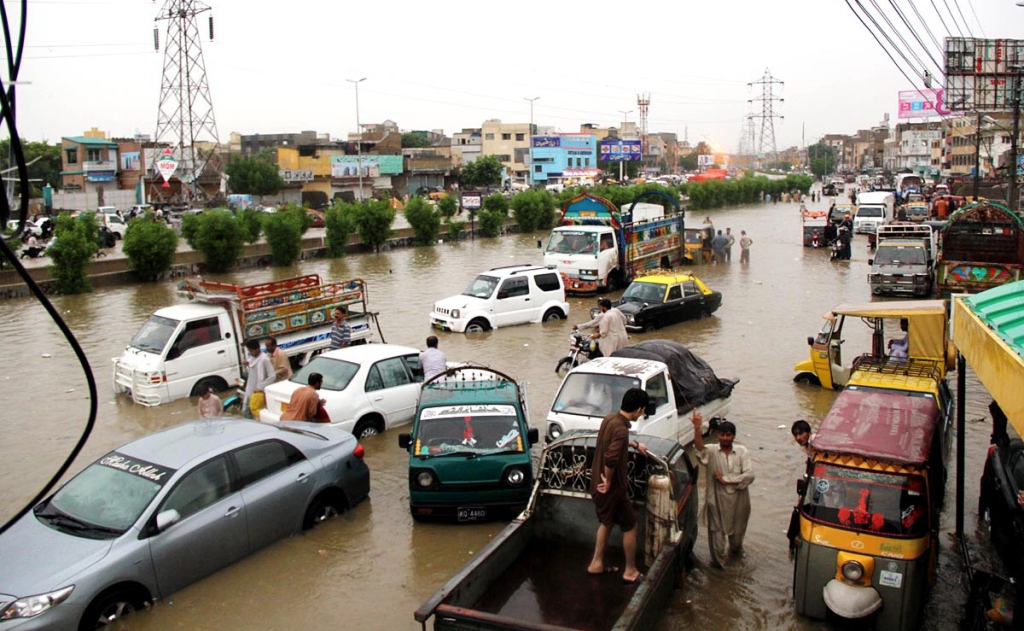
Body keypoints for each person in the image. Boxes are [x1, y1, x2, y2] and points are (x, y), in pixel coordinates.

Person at [587, 387, 650, 584]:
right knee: (630, 526)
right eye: (643, 410)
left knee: (607, 522)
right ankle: (630, 570)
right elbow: (611, 459)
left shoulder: (609, 420)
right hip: (612, 490)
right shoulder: (621, 429)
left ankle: (596, 564)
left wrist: (634, 445)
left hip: (596, 485)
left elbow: (612, 444)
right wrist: (608, 480)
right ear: (639, 410)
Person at [691, 413, 755, 569]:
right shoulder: (712, 451)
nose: (725, 438)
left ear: (733, 436)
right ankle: (719, 577)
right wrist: (697, 428)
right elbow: (700, 449)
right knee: (717, 548)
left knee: (736, 544)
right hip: (717, 503)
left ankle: (734, 569)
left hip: (739, 504)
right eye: (722, 435)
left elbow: (750, 475)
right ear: (718, 436)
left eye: (728, 435)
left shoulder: (742, 452)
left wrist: (726, 479)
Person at [243, 339, 276, 419]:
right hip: (250, 388)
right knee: (246, 410)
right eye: (249, 351)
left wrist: (260, 387)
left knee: (257, 412)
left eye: (251, 351)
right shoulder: (252, 358)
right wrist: (247, 363)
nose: (250, 353)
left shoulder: (265, 359)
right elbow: (252, 365)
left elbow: (272, 376)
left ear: (257, 349)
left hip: (258, 392)